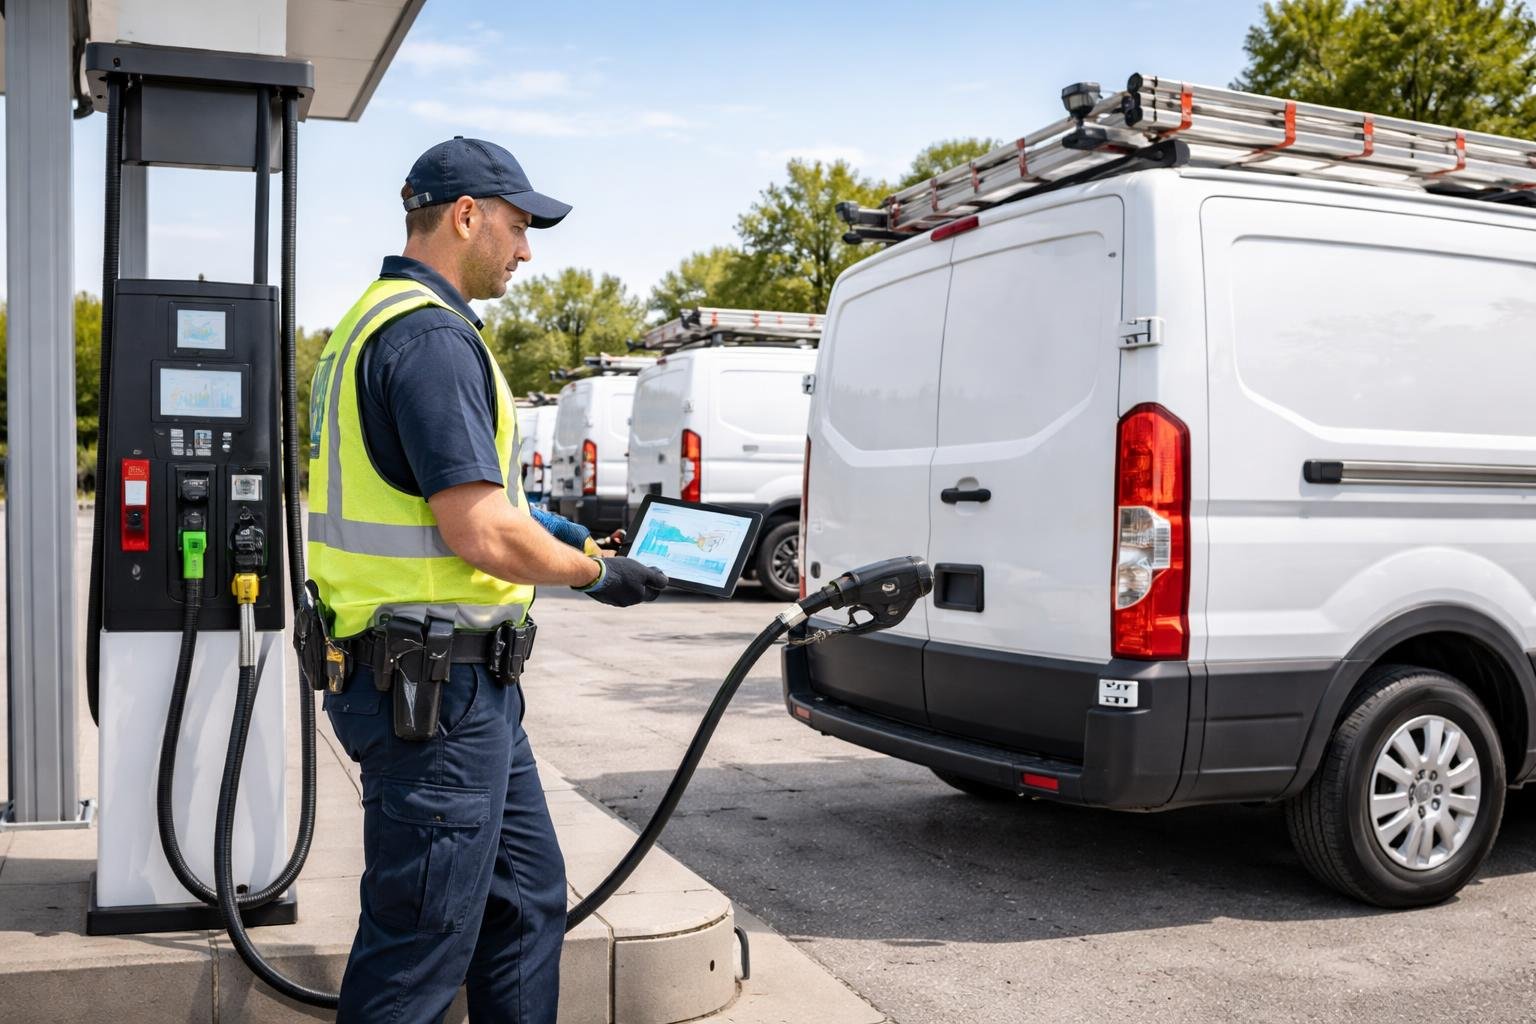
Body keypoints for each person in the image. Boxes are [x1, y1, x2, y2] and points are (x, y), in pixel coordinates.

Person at [306, 137, 668, 1023]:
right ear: (465, 215)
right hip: (437, 695)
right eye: (517, 226)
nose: (527, 249)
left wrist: (549, 525)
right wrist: (595, 571)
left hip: (450, 690)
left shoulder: (375, 319)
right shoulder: (429, 336)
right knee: (421, 949)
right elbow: (475, 531)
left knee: (523, 903)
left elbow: (453, 496)